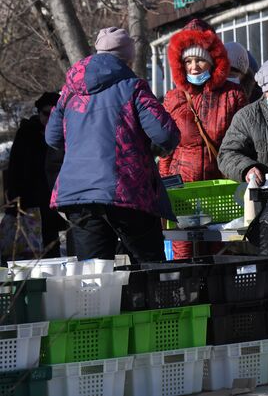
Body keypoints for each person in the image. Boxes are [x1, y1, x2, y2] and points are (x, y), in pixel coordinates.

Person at [45, 27, 180, 263]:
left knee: (94, 276)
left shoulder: (70, 91)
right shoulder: (133, 87)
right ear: (128, 58)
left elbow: (52, 138)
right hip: (125, 190)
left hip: (79, 195)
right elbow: (165, 134)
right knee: (151, 269)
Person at [159, 18, 247, 260]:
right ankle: (189, 298)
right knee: (183, 253)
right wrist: (165, 189)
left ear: (213, 60)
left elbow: (243, 143)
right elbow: (167, 149)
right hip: (183, 188)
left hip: (220, 186)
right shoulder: (173, 98)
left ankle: (217, 298)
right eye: (188, 61)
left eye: (200, 60)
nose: (194, 67)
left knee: (219, 251)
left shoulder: (232, 95)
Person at [5, 91, 67, 258]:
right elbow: (16, 169)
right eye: (46, 113)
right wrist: (15, 200)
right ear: (39, 113)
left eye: (54, 113)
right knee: (30, 252)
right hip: (31, 201)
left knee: (51, 249)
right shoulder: (27, 133)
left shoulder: (65, 134)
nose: (50, 118)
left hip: (54, 200)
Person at [218, 57, 268, 184]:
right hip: (263, 193)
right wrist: (247, 168)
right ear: (265, 91)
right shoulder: (247, 117)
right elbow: (227, 154)